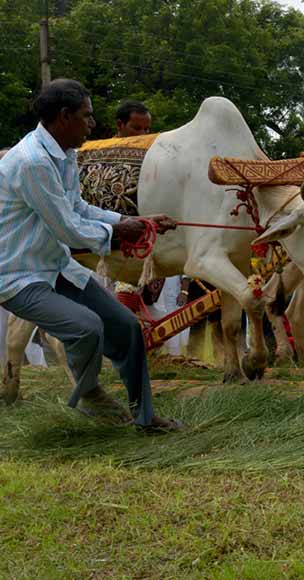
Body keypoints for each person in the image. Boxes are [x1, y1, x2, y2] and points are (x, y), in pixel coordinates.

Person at [0, 79, 178, 429]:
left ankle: (145, 418)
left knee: (127, 328)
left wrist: (133, 221)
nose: (93, 124)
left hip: (55, 266)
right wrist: (117, 232)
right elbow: (67, 227)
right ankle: (89, 392)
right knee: (86, 328)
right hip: (18, 275)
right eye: (87, 116)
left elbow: (78, 207)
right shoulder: (33, 162)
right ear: (65, 117)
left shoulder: (65, 155)